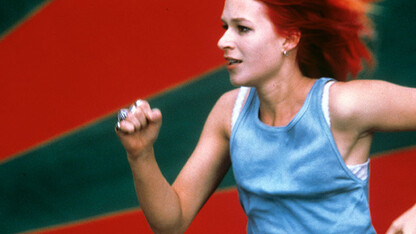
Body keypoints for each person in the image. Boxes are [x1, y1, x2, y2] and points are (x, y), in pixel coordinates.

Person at [116, 0, 416, 233]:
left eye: (242, 28)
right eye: (225, 27)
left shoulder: (343, 105)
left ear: (289, 39)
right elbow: (171, 223)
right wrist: (140, 154)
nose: (223, 42)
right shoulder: (228, 113)